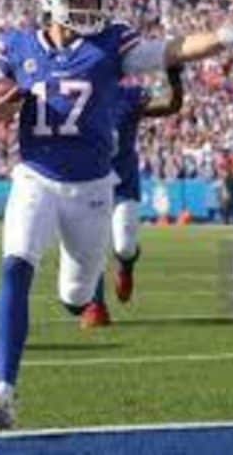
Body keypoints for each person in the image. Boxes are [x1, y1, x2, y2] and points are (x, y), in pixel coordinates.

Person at [0, 0, 233, 429]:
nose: (90, 9)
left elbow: (175, 49)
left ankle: (79, 299)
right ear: (51, 1)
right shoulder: (17, 46)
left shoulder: (109, 44)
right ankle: (5, 389)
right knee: (15, 264)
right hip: (36, 175)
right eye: (79, 0)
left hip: (92, 188)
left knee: (77, 294)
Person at [81, 67, 185, 328]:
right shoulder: (74, 96)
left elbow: (172, 105)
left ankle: (126, 266)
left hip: (123, 182)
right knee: (92, 246)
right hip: (89, 182)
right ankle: (96, 305)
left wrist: (174, 77)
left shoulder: (129, 96)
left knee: (124, 247)